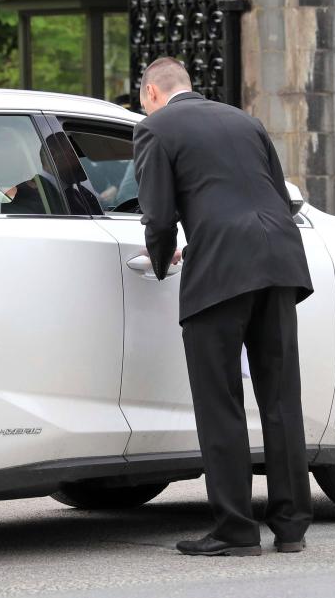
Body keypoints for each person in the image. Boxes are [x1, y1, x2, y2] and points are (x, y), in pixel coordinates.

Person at [133, 57, 314, 557]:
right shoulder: (245, 121)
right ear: (189, 86)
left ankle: (235, 529)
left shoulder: (155, 128)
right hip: (279, 262)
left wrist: (161, 259)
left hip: (220, 272)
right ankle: (292, 525)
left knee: (222, 404)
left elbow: (158, 212)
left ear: (151, 91)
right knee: (281, 400)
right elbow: (275, 197)